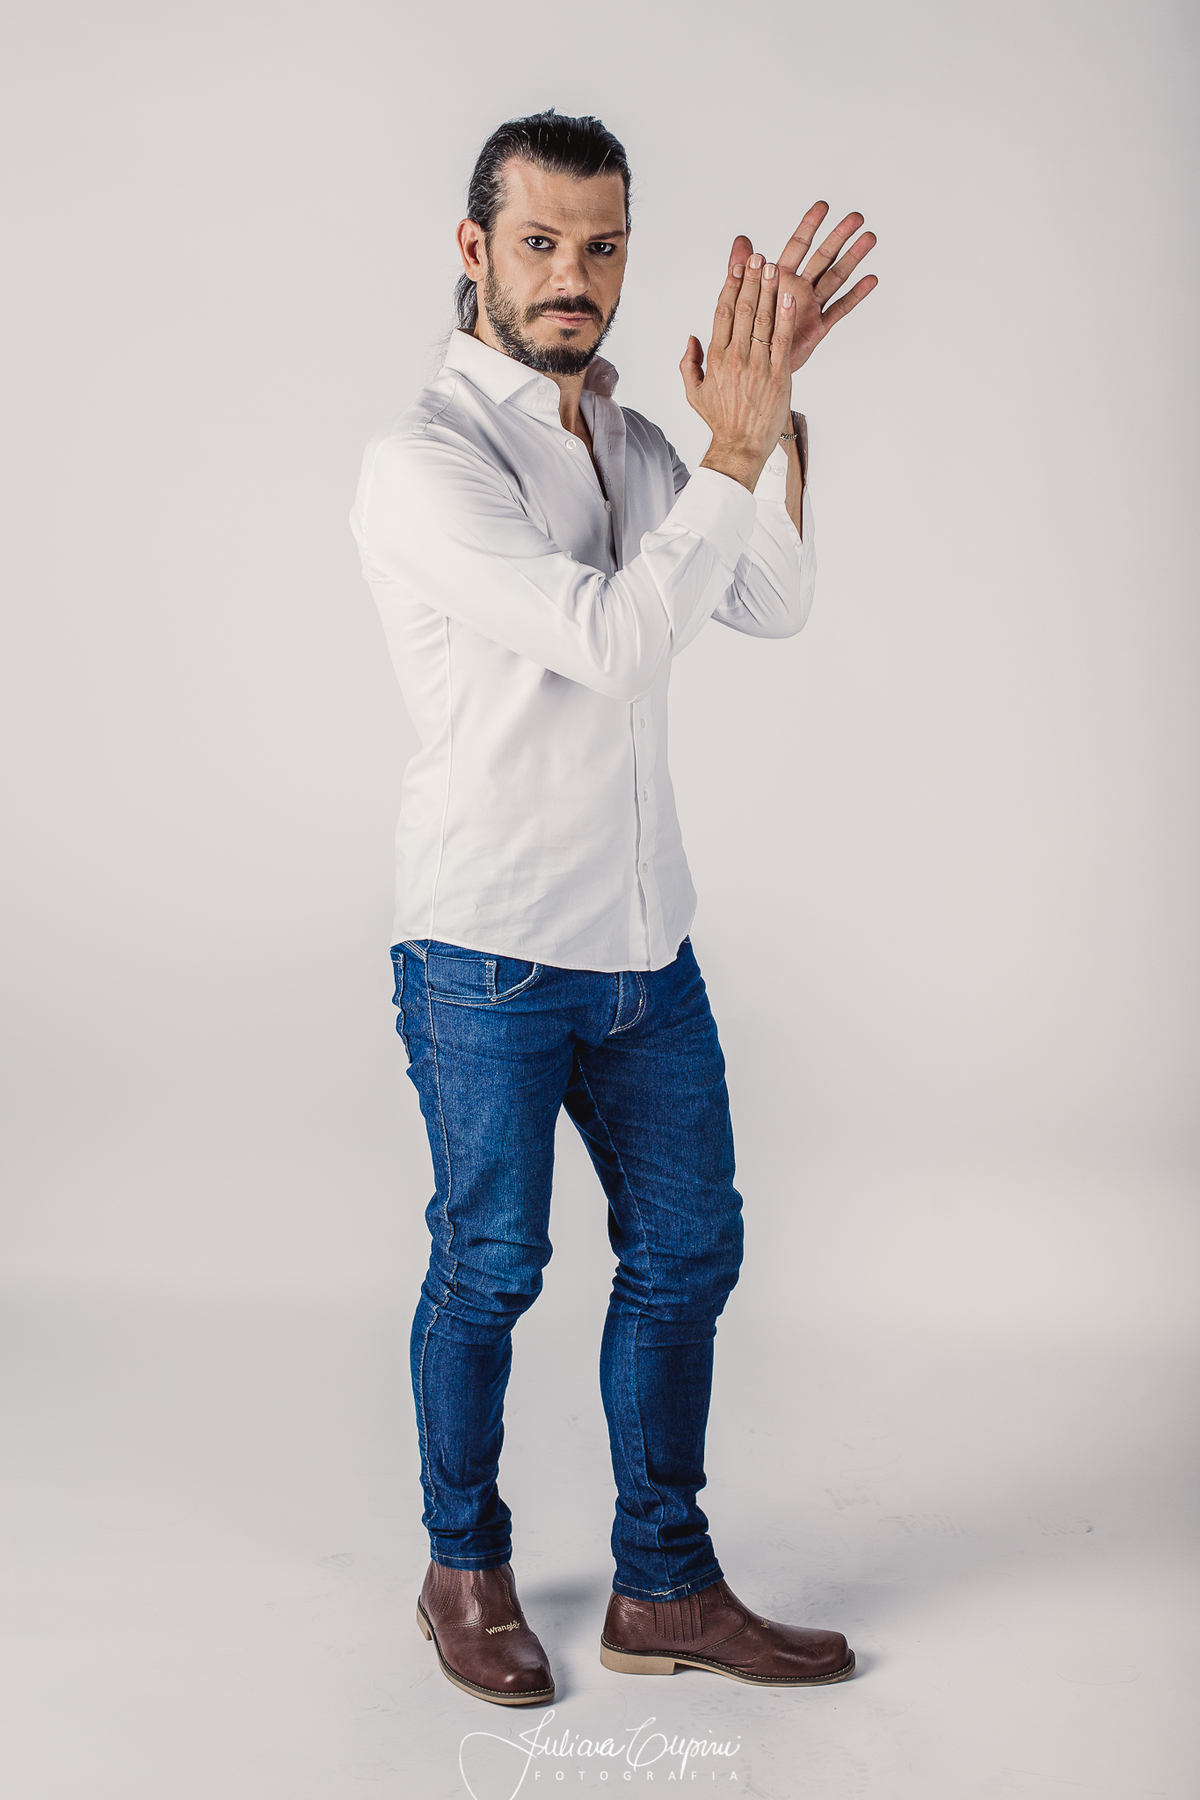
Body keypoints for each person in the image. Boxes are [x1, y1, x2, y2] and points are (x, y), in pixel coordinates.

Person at [350, 110, 877, 1708]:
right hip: (489, 952)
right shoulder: (426, 463)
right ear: (474, 252)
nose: (572, 275)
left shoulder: (640, 444)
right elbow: (615, 637)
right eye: (539, 243)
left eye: (601, 246)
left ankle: (665, 1584)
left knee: (689, 1254)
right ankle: (463, 1567)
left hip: (647, 947)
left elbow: (770, 597)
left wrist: (772, 417)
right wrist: (729, 455)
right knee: (491, 1266)